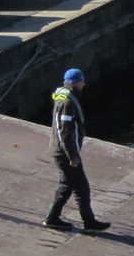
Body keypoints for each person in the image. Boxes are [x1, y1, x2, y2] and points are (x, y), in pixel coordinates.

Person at [43, 69, 112, 233]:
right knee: (82, 188)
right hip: (65, 154)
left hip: (60, 151)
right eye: (82, 81)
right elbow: (65, 132)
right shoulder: (67, 103)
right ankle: (89, 222)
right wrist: (72, 156)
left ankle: (52, 218)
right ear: (75, 83)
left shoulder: (63, 97)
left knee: (66, 185)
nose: (84, 84)